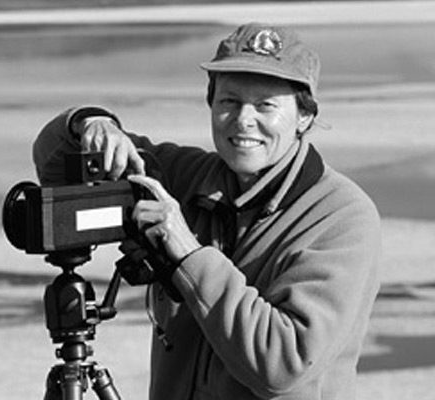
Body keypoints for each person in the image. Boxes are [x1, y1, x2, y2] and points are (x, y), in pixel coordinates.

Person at [31, 23, 382, 400]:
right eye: (229, 101)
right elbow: (54, 165)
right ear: (211, 104)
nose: (244, 120)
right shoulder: (184, 178)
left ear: (304, 117)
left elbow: (282, 365)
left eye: (265, 105)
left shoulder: (341, 217)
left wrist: (189, 256)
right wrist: (92, 123)